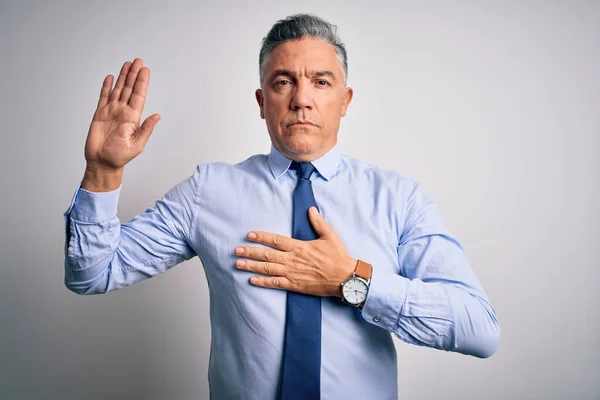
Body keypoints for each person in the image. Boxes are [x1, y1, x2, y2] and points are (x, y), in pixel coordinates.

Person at [63, 13, 500, 400]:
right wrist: (102, 171)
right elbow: (92, 272)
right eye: (283, 81)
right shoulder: (208, 191)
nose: (301, 99)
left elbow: (479, 329)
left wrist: (352, 279)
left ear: (345, 101)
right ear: (261, 102)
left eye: (321, 82)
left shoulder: (397, 198)